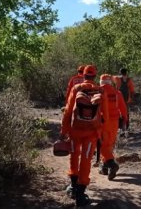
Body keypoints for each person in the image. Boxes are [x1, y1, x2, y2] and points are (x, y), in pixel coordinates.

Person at [60, 65, 108, 207]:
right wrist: (102, 134)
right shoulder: (100, 90)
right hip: (92, 133)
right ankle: (80, 194)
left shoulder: (76, 89)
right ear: (94, 76)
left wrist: (63, 131)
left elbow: (68, 112)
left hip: (75, 131)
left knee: (74, 156)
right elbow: (104, 115)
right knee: (86, 160)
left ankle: (73, 187)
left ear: (83, 75)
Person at [98, 74, 128, 180]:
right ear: (110, 82)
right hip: (114, 122)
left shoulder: (98, 91)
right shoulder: (117, 92)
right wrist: (125, 120)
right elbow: (123, 108)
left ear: (101, 82)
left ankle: (112, 164)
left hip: (102, 122)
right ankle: (105, 167)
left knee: (101, 145)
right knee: (109, 144)